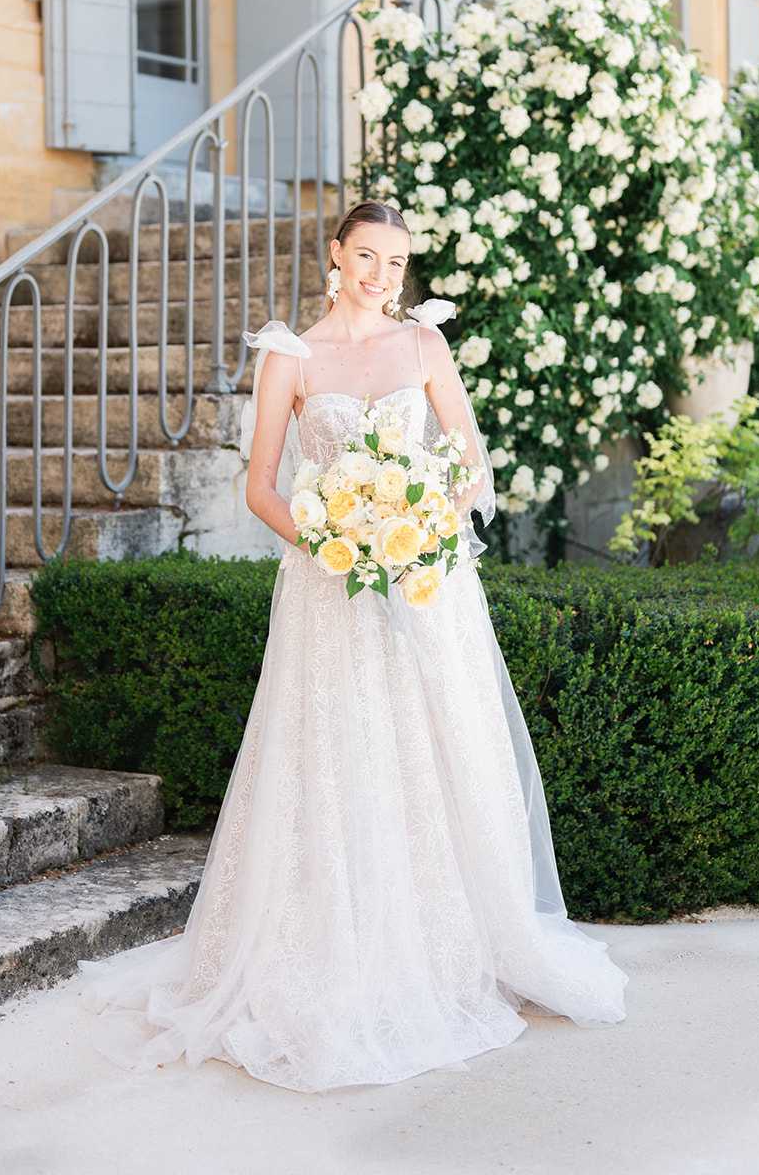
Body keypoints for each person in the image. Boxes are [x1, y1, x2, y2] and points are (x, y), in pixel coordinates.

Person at [77, 198, 628, 1092]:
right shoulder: (290, 356)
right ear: (335, 254)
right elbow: (260, 485)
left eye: (396, 262)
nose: (380, 275)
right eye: (366, 255)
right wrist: (333, 541)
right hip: (326, 586)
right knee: (337, 756)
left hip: (425, 584)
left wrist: (422, 530)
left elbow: (467, 461)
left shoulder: (423, 346)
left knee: (434, 751)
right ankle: (337, 950)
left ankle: (451, 941)